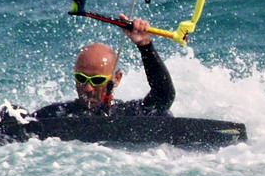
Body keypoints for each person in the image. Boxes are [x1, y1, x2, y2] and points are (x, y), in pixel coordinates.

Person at [33, 15, 175, 118]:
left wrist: (145, 46)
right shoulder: (55, 115)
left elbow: (163, 97)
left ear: (117, 79)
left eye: (97, 80)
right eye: (81, 78)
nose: (88, 88)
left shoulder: (129, 114)